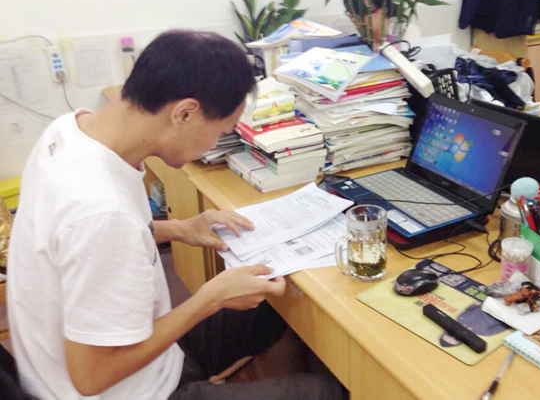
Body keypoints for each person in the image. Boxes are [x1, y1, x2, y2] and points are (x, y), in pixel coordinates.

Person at [7, 30, 343, 400]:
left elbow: (74, 243)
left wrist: (178, 228)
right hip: (117, 389)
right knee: (322, 393)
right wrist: (209, 299)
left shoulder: (70, 131)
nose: (214, 144)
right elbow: (92, 378)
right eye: (220, 132)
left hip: (119, 358)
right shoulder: (103, 212)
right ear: (184, 113)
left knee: (271, 313)